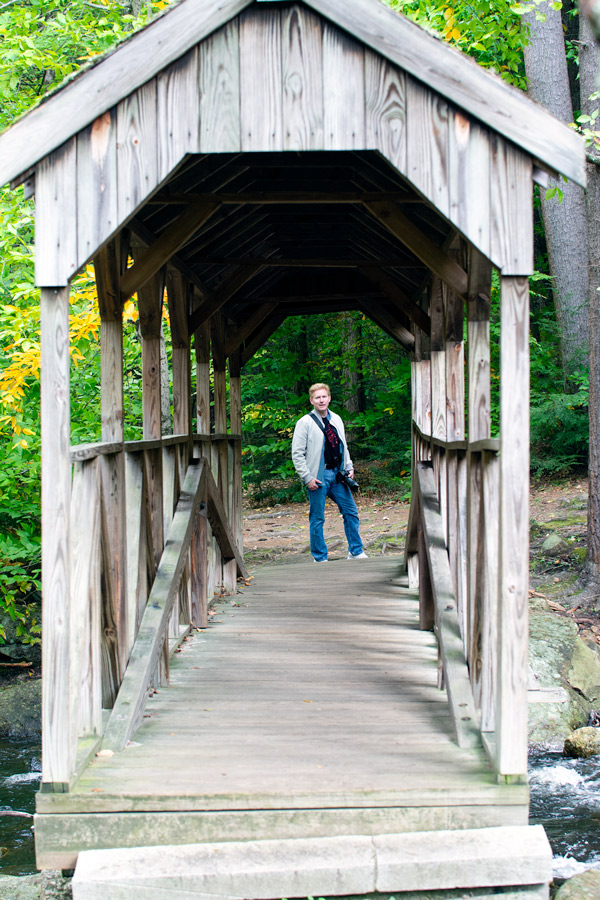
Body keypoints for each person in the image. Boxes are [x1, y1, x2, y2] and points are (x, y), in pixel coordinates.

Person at [291, 382, 367, 562]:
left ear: (329, 398)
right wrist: (307, 477)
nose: (321, 400)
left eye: (324, 396)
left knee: (351, 512)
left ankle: (355, 551)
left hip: (338, 475)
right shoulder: (305, 423)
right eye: (317, 397)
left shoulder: (337, 419)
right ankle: (320, 557)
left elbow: (343, 445)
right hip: (318, 476)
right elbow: (297, 453)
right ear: (311, 400)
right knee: (317, 518)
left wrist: (349, 466)